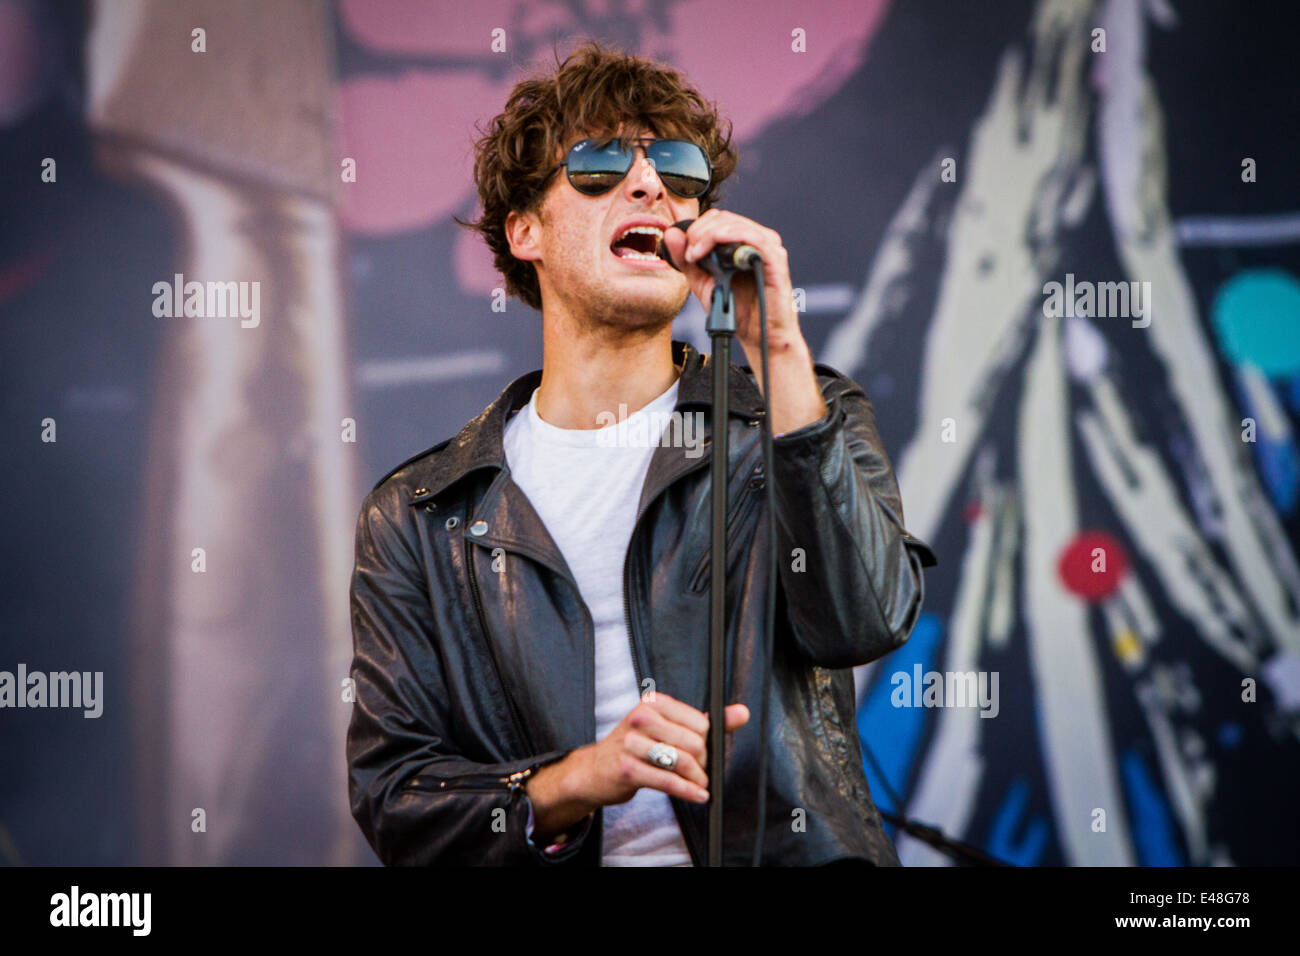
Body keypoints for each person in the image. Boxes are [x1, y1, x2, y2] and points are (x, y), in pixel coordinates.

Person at [346, 40, 937, 866]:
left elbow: (865, 618)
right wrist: (578, 779)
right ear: (525, 231)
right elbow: (396, 797)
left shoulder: (800, 413)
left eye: (677, 167)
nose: (651, 185)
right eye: (596, 164)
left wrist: (776, 353)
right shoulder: (420, 513)